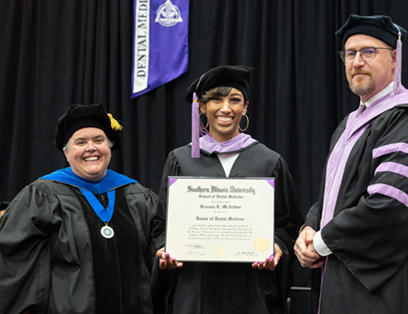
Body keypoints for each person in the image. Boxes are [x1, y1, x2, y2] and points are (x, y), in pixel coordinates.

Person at [294, 14, 408, 314]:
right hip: (340, 283)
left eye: (368, 52)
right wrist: (309, 229)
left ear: (394, 58)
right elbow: (333, 196)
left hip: (384, 293)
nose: (357, 62)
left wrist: (323, 242)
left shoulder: (406, 118)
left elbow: (390, 206)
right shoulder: (349, 125)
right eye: (350, 54)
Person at [150, 65, 303, 314]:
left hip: (252, 292)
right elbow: (161, 225)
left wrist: (276, 246)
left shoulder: (268, 161)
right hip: (194, 293)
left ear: (245, 107)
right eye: (216, 100)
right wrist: (164, 249)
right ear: (201, 106)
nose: (225, 108)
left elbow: (289, 226)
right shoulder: (180, 159)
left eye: (234, 100)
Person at [0, 104, 158, 314]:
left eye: (99, 140)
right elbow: (15, 262)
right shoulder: (42, 196)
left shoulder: (138, 195)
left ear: (109, 147)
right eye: (80, 142)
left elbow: (161, 244)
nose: (91, 147)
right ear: (67, 152)